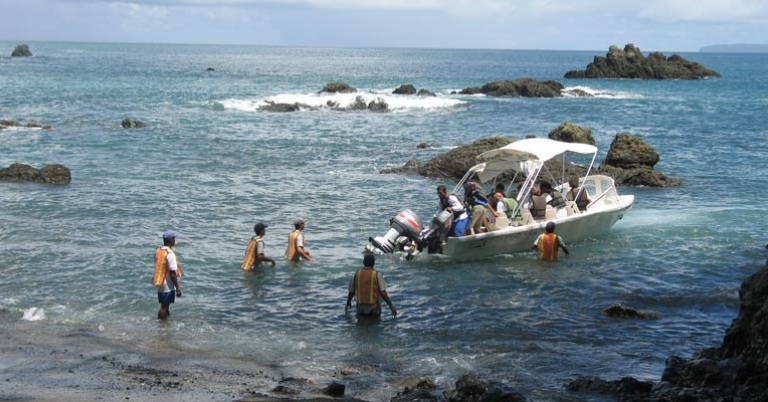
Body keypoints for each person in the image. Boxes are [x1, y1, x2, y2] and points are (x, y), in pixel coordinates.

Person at [345, 254, 397, 318]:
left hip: (360, 307)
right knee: (375, 322)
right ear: (373, 263)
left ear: (363, 262)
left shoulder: (357, 273)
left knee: (361, 322)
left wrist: (348, 302)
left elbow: (351, 291)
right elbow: (383, 292)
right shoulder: (377, 274)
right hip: (373, 307)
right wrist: (391, 305)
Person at [152, 230, 183, 319]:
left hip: (160, 281)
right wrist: (178, 288)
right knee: (164, 306)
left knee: (165, 304)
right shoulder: (170, 254)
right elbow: (172, 273)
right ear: (171, 240)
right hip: (167, 284)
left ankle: (165, 323)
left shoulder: (159, 250)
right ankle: (161, 323)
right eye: (174, 239)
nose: (175, 240)